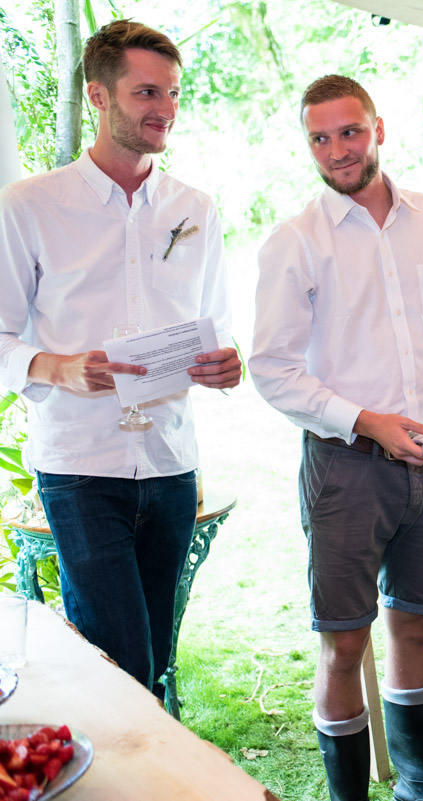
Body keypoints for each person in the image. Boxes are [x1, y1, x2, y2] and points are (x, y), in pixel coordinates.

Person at [249, 75, 423, 801]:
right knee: (344, 642)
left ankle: (422, 785)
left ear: (378, 127)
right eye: (320, 139)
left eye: (348, 132)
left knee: (415, 628)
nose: (337, 150)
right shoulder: (295, 242)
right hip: (345, 466)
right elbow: (272, 369)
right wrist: (367, 421)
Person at [0, 20, 240, 698]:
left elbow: (215, 329)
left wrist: (229, 366)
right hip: (81, 468)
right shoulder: (30, 206)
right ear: (99, 97)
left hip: (170, 463)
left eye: (171, 92)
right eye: (145, 92)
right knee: (120, 661)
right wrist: (60, 367)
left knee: (154, 656)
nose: (165, 108)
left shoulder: (195, 208)